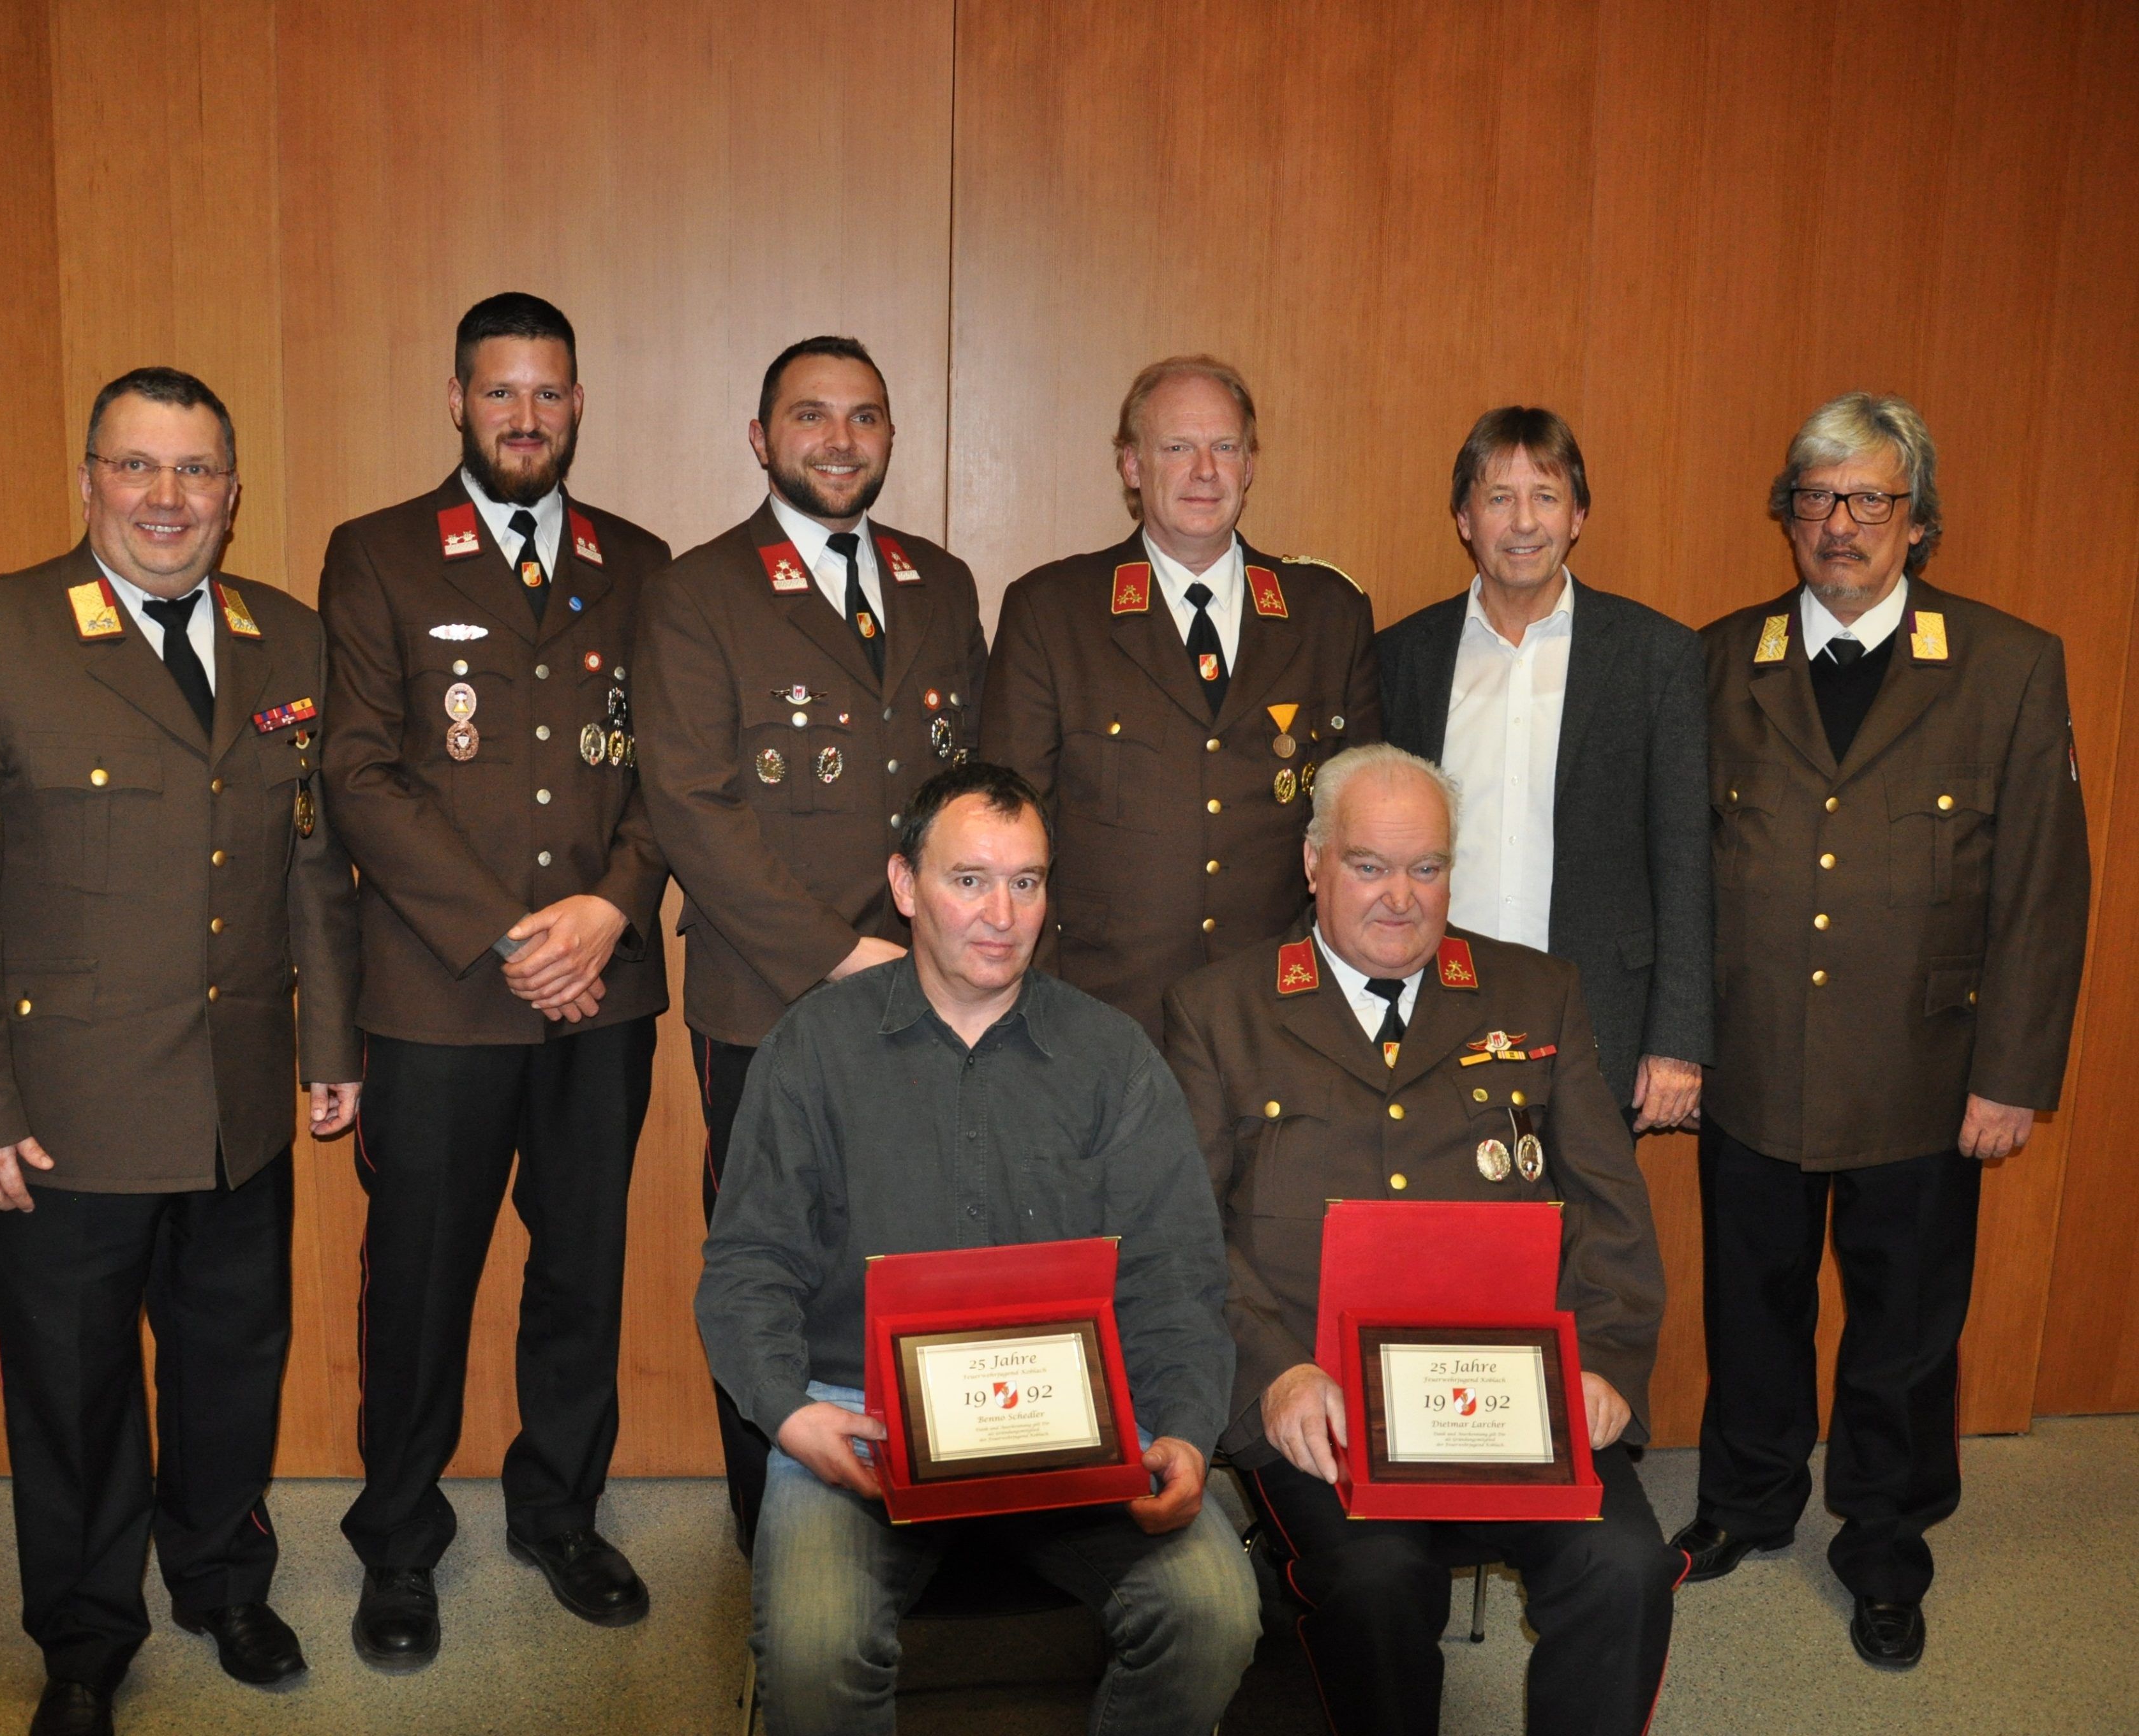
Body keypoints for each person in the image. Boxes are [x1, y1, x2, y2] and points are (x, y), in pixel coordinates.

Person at [0, 368, 361, 1736]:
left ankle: (222, 1578)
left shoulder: (290, 640)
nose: (167, 498)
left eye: (196, 471)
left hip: (236, 1101)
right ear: (89, 479)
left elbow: (313, 866)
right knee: (74, 1387)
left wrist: (329, 1040)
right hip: (60, 1111)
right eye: (137, 468)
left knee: (231, 1365)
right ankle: (86, 1633)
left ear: (233, 491)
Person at [696, 761, 1259, 1735]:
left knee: (1213, 1611)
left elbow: (1175, 1278)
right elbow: (748, 1266)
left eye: (1026, 882)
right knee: (814, 1647)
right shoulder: (812, 1048)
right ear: (906, 887)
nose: (1001, 913)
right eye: (969, 880)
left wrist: (1181, 1430)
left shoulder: (1113, 1057)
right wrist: (790, 1420)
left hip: (1069, 1419)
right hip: (858, 1418)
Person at [1676, 393, 2090, 1668]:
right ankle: (1745, 1500)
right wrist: (1676, 1039)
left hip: (1925, 1071)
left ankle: (1882, 1543)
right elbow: (1679, 869)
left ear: (1920, 522)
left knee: (1903, 1328)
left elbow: (2041, 882)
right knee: (1752, 1305)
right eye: (1813, 497)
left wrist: (2012, 1076)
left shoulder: (2010, 663)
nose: (1837, 523)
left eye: (1867, 499)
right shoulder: (1715, 658)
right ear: (1785, 515)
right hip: (1749, 1061)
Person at [1163, 743, 1678, 1736]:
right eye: (1367, 866)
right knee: (1375, 1580)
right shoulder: (1218, 1011)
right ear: (1312, 864)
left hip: (1516, 1397)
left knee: (1624, 1566)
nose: (1399, 898)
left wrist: (1607, 1365)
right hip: (1326, 1403)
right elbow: (1185, 1234)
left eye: (1426, 868)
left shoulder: (1535, 996)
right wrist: (1273, 1375)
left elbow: (1609, 1207)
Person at [318, 294, 672, 1668]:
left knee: (581, 1269)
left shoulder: (641, 563)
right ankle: (398, 1542)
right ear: (455, 399)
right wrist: (519, 935)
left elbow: (671, 773)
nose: (525, 417)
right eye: (499, 392)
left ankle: (558, 1512)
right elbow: (357, 770)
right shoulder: (384, 554)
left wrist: (609, 909)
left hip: (608, 993)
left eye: (548, 394)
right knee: (418, 1283)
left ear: (578, 404)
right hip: (441, 996)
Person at [635, 335, 988, 1547]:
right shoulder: (697, 592)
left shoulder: (943, 584)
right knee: (774, 1268)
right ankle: (770, 1542)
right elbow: (690, 802)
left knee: (921, 1249)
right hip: (773, 997)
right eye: (810, 417)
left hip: (932, 998)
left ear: (890, 437)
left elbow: (968, 799)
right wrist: (843, 955)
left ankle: (921, 1509)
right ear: (760, 438)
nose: (839, 439)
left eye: (864, 418)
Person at [982, 354, 1383, 1044]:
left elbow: (1365, 834)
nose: (1204, 471)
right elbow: (1006, 830)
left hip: (1281, 1017)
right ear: (1132, 467)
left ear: (1249, 465)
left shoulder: (1327, 614)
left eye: (1224, 447)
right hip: (1100, 1012)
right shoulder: (1053, 612)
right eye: (1176, 447)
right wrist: (1036, 1011)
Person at [1376, 407, 1710, 1126]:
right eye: (1498, 498)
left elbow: (1686, 861)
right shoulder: (1402, 657)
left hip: (1597, 1025)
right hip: (1429, 1017)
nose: (1522, 522)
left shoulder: (1656, 659)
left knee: (1580, 1239)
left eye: (1545, 496)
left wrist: (1677, 1043)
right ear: (1464, 518)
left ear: (1578, 514)